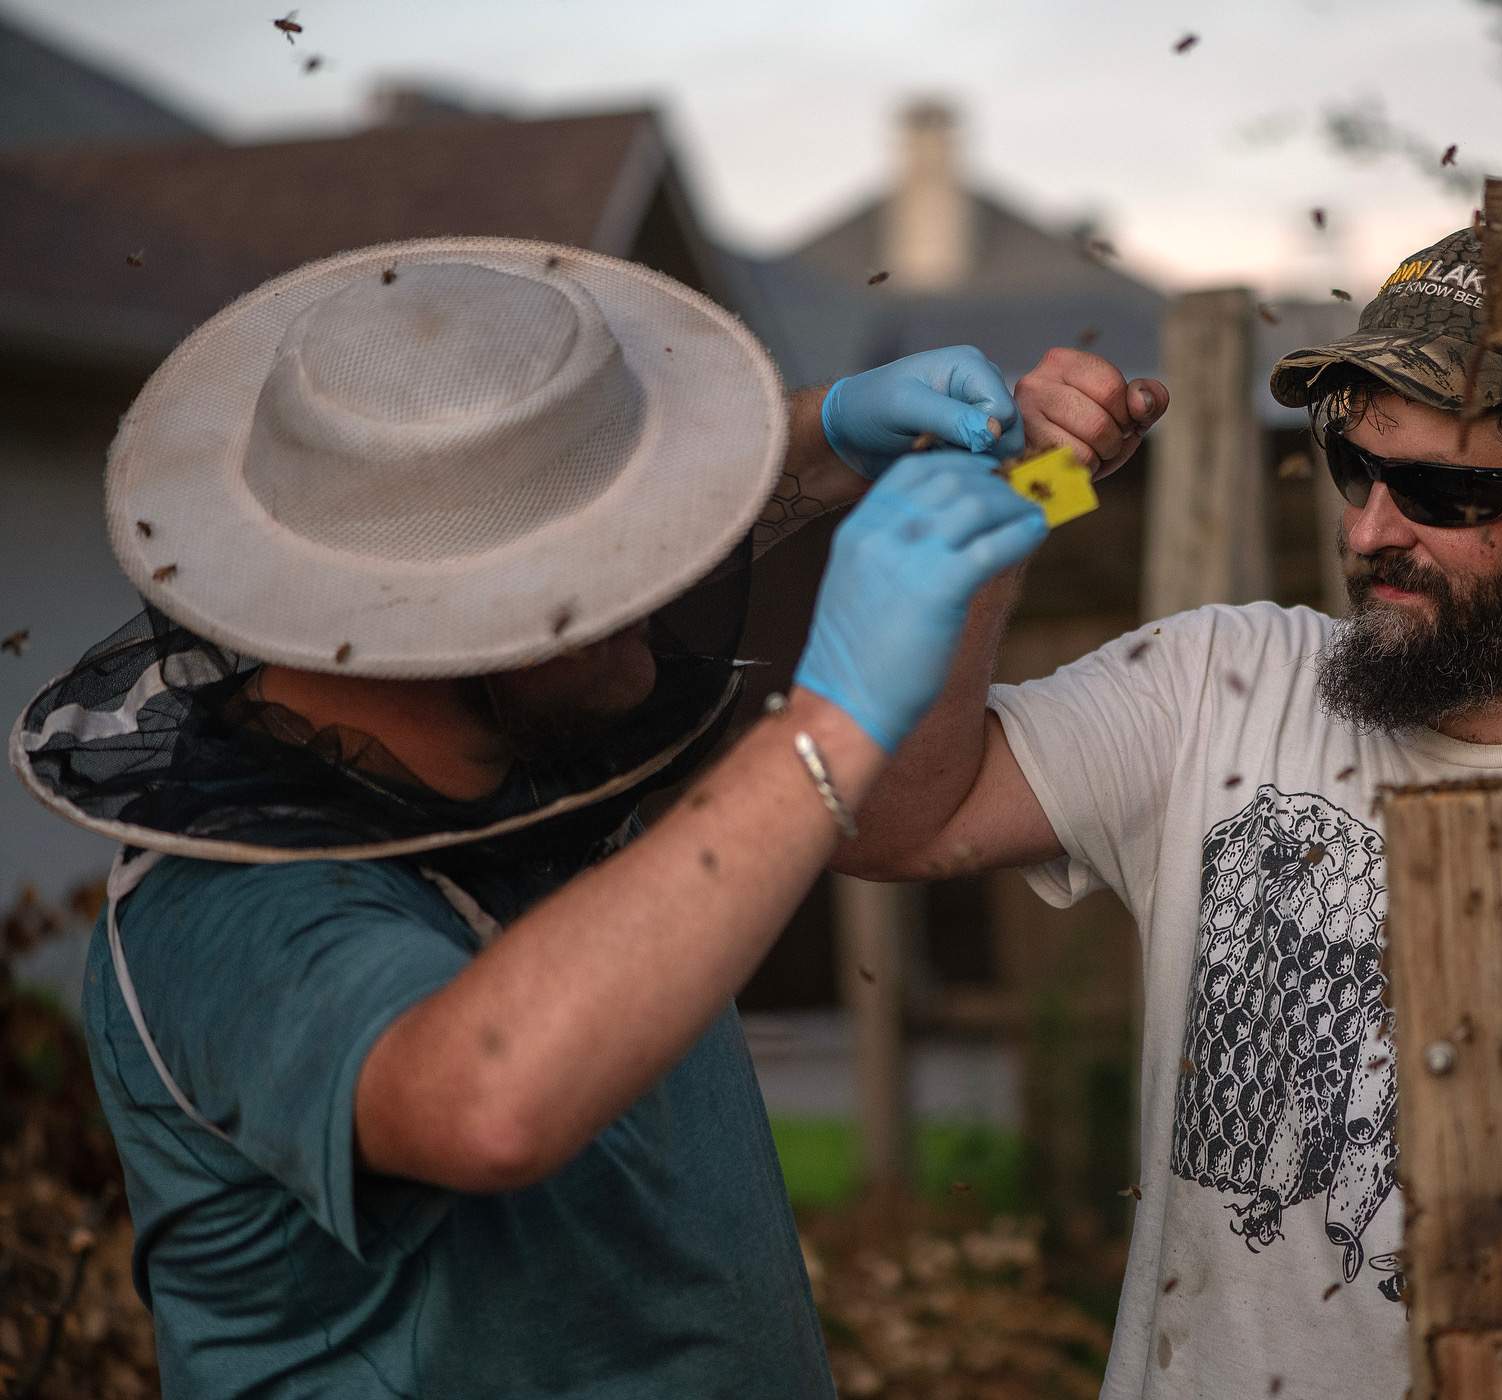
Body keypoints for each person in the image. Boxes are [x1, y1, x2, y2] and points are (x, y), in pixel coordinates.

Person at [836, 226, 1502, 1399]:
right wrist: (1019, 503)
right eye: (1354, 467)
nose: (1367, 529)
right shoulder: (1215, 683)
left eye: (1440, 488)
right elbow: (895, 823)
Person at [8, 237, 1051, 1398]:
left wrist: (832, 434)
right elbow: (485, 1103)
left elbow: (533, 551)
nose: (660, 580)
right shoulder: (233, 914)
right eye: (615, 565)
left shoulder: (514, 736)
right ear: (469, 623)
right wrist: (831, 726)